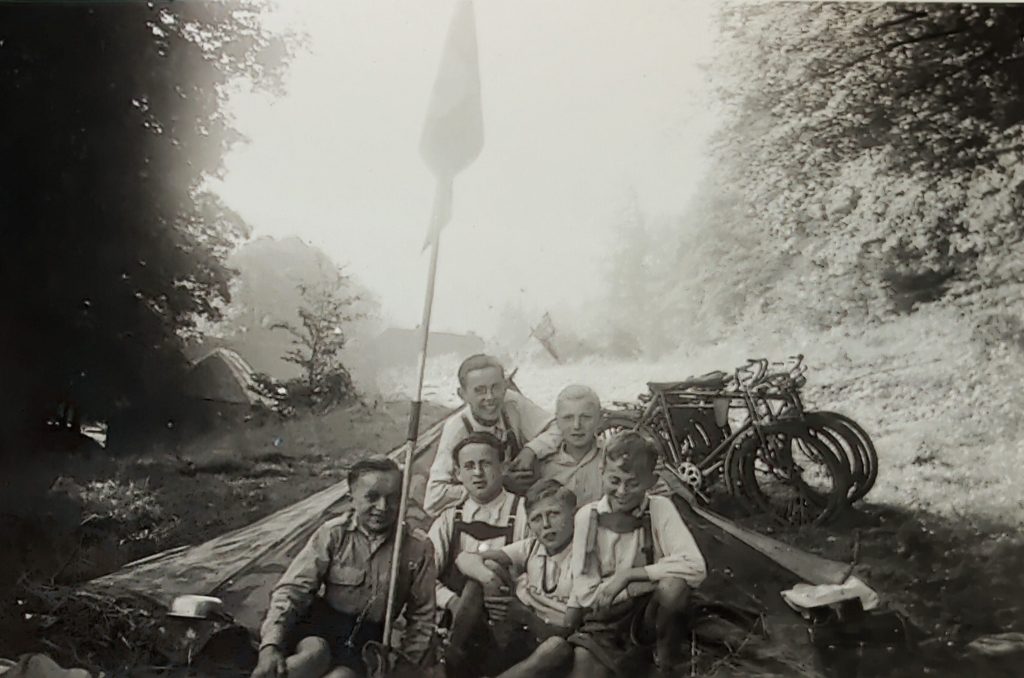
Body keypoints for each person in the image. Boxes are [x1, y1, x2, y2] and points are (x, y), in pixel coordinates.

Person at [251, 457, 435, 678]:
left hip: (365, 641)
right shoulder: (333, 534)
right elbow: (292, 590)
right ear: (352, 499)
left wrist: (405, 666)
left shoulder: (417, 547)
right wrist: (270, 646)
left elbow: (422, 617)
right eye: (372, 497)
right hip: (319, 628)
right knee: (312, 657)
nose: (383, 507)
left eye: (393, 498)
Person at [566, 431, 708, 678]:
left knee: (673, 586)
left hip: (650, 616)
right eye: (614, 480)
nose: (622, 491)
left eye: (633, 484)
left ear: (651, 481)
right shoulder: (587, 517)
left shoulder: (660, 508)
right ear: (601, 471)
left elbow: (695, 566)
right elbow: (587, 593)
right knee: (584, 668)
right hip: (607, 618)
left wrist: (629, 576)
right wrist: (639, 585)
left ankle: (664, 660)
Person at [451, 479, 579, 678]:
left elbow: (570, 632)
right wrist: (489, 579)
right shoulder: (532, 546)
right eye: (537, 519)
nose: (546, 525)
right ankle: (449, 657)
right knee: (488, 569)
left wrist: (526, 616)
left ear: (573, 514)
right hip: (520, 632)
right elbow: (464, 558)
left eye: (554, 514)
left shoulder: (584, 555)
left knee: (556, 647)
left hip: (552, 639)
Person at [426, 432, 529, 676]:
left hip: (506, 622)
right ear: (458, 473)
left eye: (486, 464)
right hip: (455, 617)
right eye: (469, 466)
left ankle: (449, 659)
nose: (478, 473)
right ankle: (452, 654)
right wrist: (452, 602)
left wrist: (511, 602)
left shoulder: (524, 512)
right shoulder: (449, 518)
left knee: (486, 572)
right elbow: (424, 577)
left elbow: (536, 570)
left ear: (503, 466)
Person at [424, 354, 562, 517]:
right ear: (463, 394)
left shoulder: (512, 404)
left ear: (505, 386)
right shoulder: (457, 429)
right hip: (481, 513)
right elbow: (434, 497)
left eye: (495, 387)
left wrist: (531, 450)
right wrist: (496, 484)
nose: (490, 397)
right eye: (480, 390)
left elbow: (558, 427)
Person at [536, 385, 606, 505]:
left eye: (585, 417)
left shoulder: (610, 457)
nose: (577, 425)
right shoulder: (542, 464)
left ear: (599, 418)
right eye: (568, 418)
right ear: (557, 421)